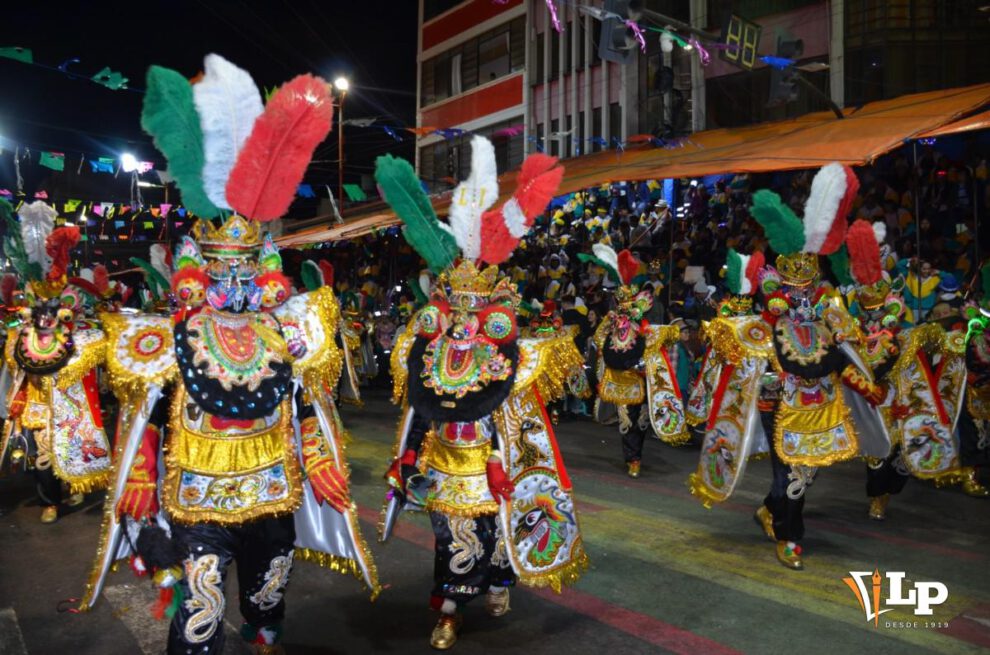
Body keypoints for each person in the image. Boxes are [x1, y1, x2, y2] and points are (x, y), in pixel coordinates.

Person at [80, 56, 378, 655]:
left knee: (268, 592)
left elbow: (304, 401)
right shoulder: (174, 335)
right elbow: (150, 409)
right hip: (198, 491)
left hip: (272, 486)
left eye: (245, 269)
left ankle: (264, 632)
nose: (234, 282)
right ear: (199, 270)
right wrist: (139, 471)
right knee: (200, 604)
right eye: (222, 269)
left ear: (264, 269)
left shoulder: (285, 330)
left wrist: (321, 457)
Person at [377, 137, 586, 650]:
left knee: (494, 536)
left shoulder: (508, 355)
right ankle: (449, 610)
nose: (464, 323)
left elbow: (512, 417)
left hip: (492, 465)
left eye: (473, 312)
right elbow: (421, 409)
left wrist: (498, 459)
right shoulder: (428, 349)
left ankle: (498, 582)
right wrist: (409, 455)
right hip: (445, 464)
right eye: (458, 311)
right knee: (450, 539)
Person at [0, 204, 112, 523]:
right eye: (40, 308)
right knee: (42, 454)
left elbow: (95, 348)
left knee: (73, 447)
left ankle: (74, 485)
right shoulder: (20, 336)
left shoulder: (79, 335)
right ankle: (50, 501)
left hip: (68, 402)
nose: (46, 315)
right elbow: (15, 365)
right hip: (38, 403)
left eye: (53, 307)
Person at [591, 245, 687, 478]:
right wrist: (608, 322)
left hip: (640, 379)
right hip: (620, 380)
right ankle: (632, 459)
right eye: (621, 309)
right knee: (627, 422)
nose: (624, 315)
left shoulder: (645, 330)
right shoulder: (612, 326)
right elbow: (599, 340)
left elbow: (665, 336)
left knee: (641, 422)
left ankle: (637, 456)